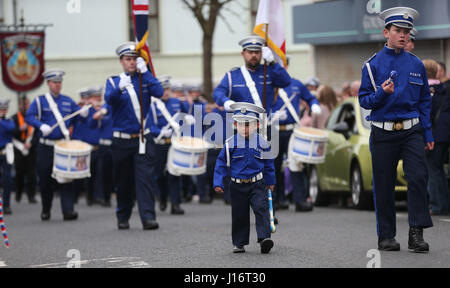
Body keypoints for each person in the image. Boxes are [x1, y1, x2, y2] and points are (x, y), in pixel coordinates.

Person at [358, 7, 434, 253]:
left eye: (407, 32)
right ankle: (387, 236)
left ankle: (416, 234)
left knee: (419, 178)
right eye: (398, 31)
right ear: (386, 32)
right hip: (383, 132)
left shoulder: (417, 64)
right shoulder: (371, 66)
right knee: (383, 184)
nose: (403, 35)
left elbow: (424, 101)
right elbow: (364, 100)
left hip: (412, 130)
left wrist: (428, 133)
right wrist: (382, 93)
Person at [104, 42, 164, 230]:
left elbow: (159, 92)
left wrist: (146, 72)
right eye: (128, 59)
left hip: (142, 139)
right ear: (121, 61)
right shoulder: (113, 81)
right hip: (121, 140)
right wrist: (119, 88)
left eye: (134, 59)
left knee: (145, 179)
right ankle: (123, 215)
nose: (131, 63)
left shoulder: (144, 79)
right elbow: (109, 100)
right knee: (123, 180)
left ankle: (148, 217)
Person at [25, 69, 89, 221]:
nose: (57, 85)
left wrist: (84, 113)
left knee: (66, 177)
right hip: (46, 146)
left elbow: (77, 118)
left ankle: (68, 210)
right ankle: (46, 209)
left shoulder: (67, 101)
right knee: (45, 179)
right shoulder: (40, 101)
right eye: (54, 82)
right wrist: (40, 126)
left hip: (63, 146)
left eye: (59, 82)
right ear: (48, 83)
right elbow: (29, 116)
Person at [213, 102, 275, 254]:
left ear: (256, 125)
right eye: (240, 124)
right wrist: (218, 182)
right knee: (239, 214)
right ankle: (239, 243)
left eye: (248, 124)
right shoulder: (230, 144)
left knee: (261, 209)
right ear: (235, 124)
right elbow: (221, 164)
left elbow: (268, 163)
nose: (244, 128)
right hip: (237, 185)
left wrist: (271, 181)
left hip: (257, 183)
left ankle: (264, 238)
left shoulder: (262, 142)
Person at [270, 56, 321, 212]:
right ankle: (277, 200)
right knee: (273, 166)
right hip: (273, 130)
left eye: (283, 65)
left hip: (292, 129)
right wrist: (271, 115)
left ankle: (300, 200)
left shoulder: (296, 84)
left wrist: (314, 106)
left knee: (296, 164)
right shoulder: (268, 85)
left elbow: (310, 98)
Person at [213, 35, 291, 114]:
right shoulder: (232, 76)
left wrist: (273, 62)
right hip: (242, 124)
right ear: (243, 54)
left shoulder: (269, 72)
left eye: (257, 52)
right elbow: (218, 92)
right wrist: (226, 101)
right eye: (250, 52)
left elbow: (286, 81)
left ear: (262, 53)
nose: (254, 55)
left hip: (265, 123)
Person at [147, 75, 185, 215]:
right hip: (160, 144)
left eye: (168, 88)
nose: (166, 92)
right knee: (159, 175)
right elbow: (149, 126)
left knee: (174, 173)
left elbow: (184, 116)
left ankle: (176, 204)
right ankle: (162, 197)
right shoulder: (153, 105)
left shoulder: (176, 102)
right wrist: (160, 132)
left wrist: (187, 119)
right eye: (163, 89)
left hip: (174, 144)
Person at [423, 59, 450, 215]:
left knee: (432, 170)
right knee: (438, 169)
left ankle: (436, 205)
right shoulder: (444, 88)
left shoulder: (427, 89)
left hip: (433, 134)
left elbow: (428, 113)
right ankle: (444, 204)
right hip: (444, 133)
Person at [12, 96, 38, 204]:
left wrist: (31, 143)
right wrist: (19, 129)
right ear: (19, 105)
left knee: (31, 174)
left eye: (27, 104)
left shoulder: (33, 118)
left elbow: (37, 134)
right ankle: (18, 194)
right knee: (19, 173)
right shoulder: (14, 118)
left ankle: (31, 195)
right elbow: (10, 133)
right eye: (24, 104)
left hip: (30, 149)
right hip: (19, 148)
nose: (26, 106)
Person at [0, 99, 15, 215]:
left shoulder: (9, 121)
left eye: (4, 110)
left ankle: (6, 205)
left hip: (5, 152)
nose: (3, 112)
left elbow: (11, 128)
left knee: (7, 179)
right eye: (1, 109)